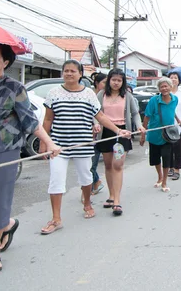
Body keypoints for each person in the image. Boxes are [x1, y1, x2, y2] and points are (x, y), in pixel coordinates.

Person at [0, 43, 61, 275]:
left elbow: (29, 120)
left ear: (5, 62)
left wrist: (49, 142)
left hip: (4, 150)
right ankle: (7, 224)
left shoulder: (14, 88)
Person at [40, 60, 131, 235]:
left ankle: (87, 203)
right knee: (56, 180)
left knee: (86, 178)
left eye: (73, 71)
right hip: (59, 146)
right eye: (66, 71)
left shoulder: (89, 94)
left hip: (83, 144)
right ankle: (56, 218)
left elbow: (101, 116)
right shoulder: (53, 93)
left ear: (80, 74)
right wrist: (45, 141)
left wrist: (118, 130)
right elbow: (48, 119)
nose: (69, 74)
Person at [95, 69, 145, 216]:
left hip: (123, 132)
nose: (116, 82)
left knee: (118, 165)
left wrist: (140, 125)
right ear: (109, 80)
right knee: (109, 165)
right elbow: (95, 112)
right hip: (105, 132)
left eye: (119, 80)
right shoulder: (101, 95)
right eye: (113, 79)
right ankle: (111, 195)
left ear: (123, 82)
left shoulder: (127, 96)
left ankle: (117, 200)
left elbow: (135, 113)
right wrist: (95, 124)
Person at [140, 77, 180, 192]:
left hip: (168, 135)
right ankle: (160, 176)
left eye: (166, 86)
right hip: (154, 134)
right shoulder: (154, 100)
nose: (164, 88)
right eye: (162, 86)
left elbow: (172, 112)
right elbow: (147, 117)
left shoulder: (175, 99)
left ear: (170, 87)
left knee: (167, 158)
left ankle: (164, 182)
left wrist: (178, 119)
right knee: (155, 159)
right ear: (159, 89)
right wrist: (143, 134)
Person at [90, 72, 107, 196]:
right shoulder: (89, 95)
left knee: (92, 164)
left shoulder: (106, 97)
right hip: (87, 134)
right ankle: (96, 182)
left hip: (101, 134)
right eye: (104, 83)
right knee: (89, 165)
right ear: (96, 83)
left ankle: (93, 185)